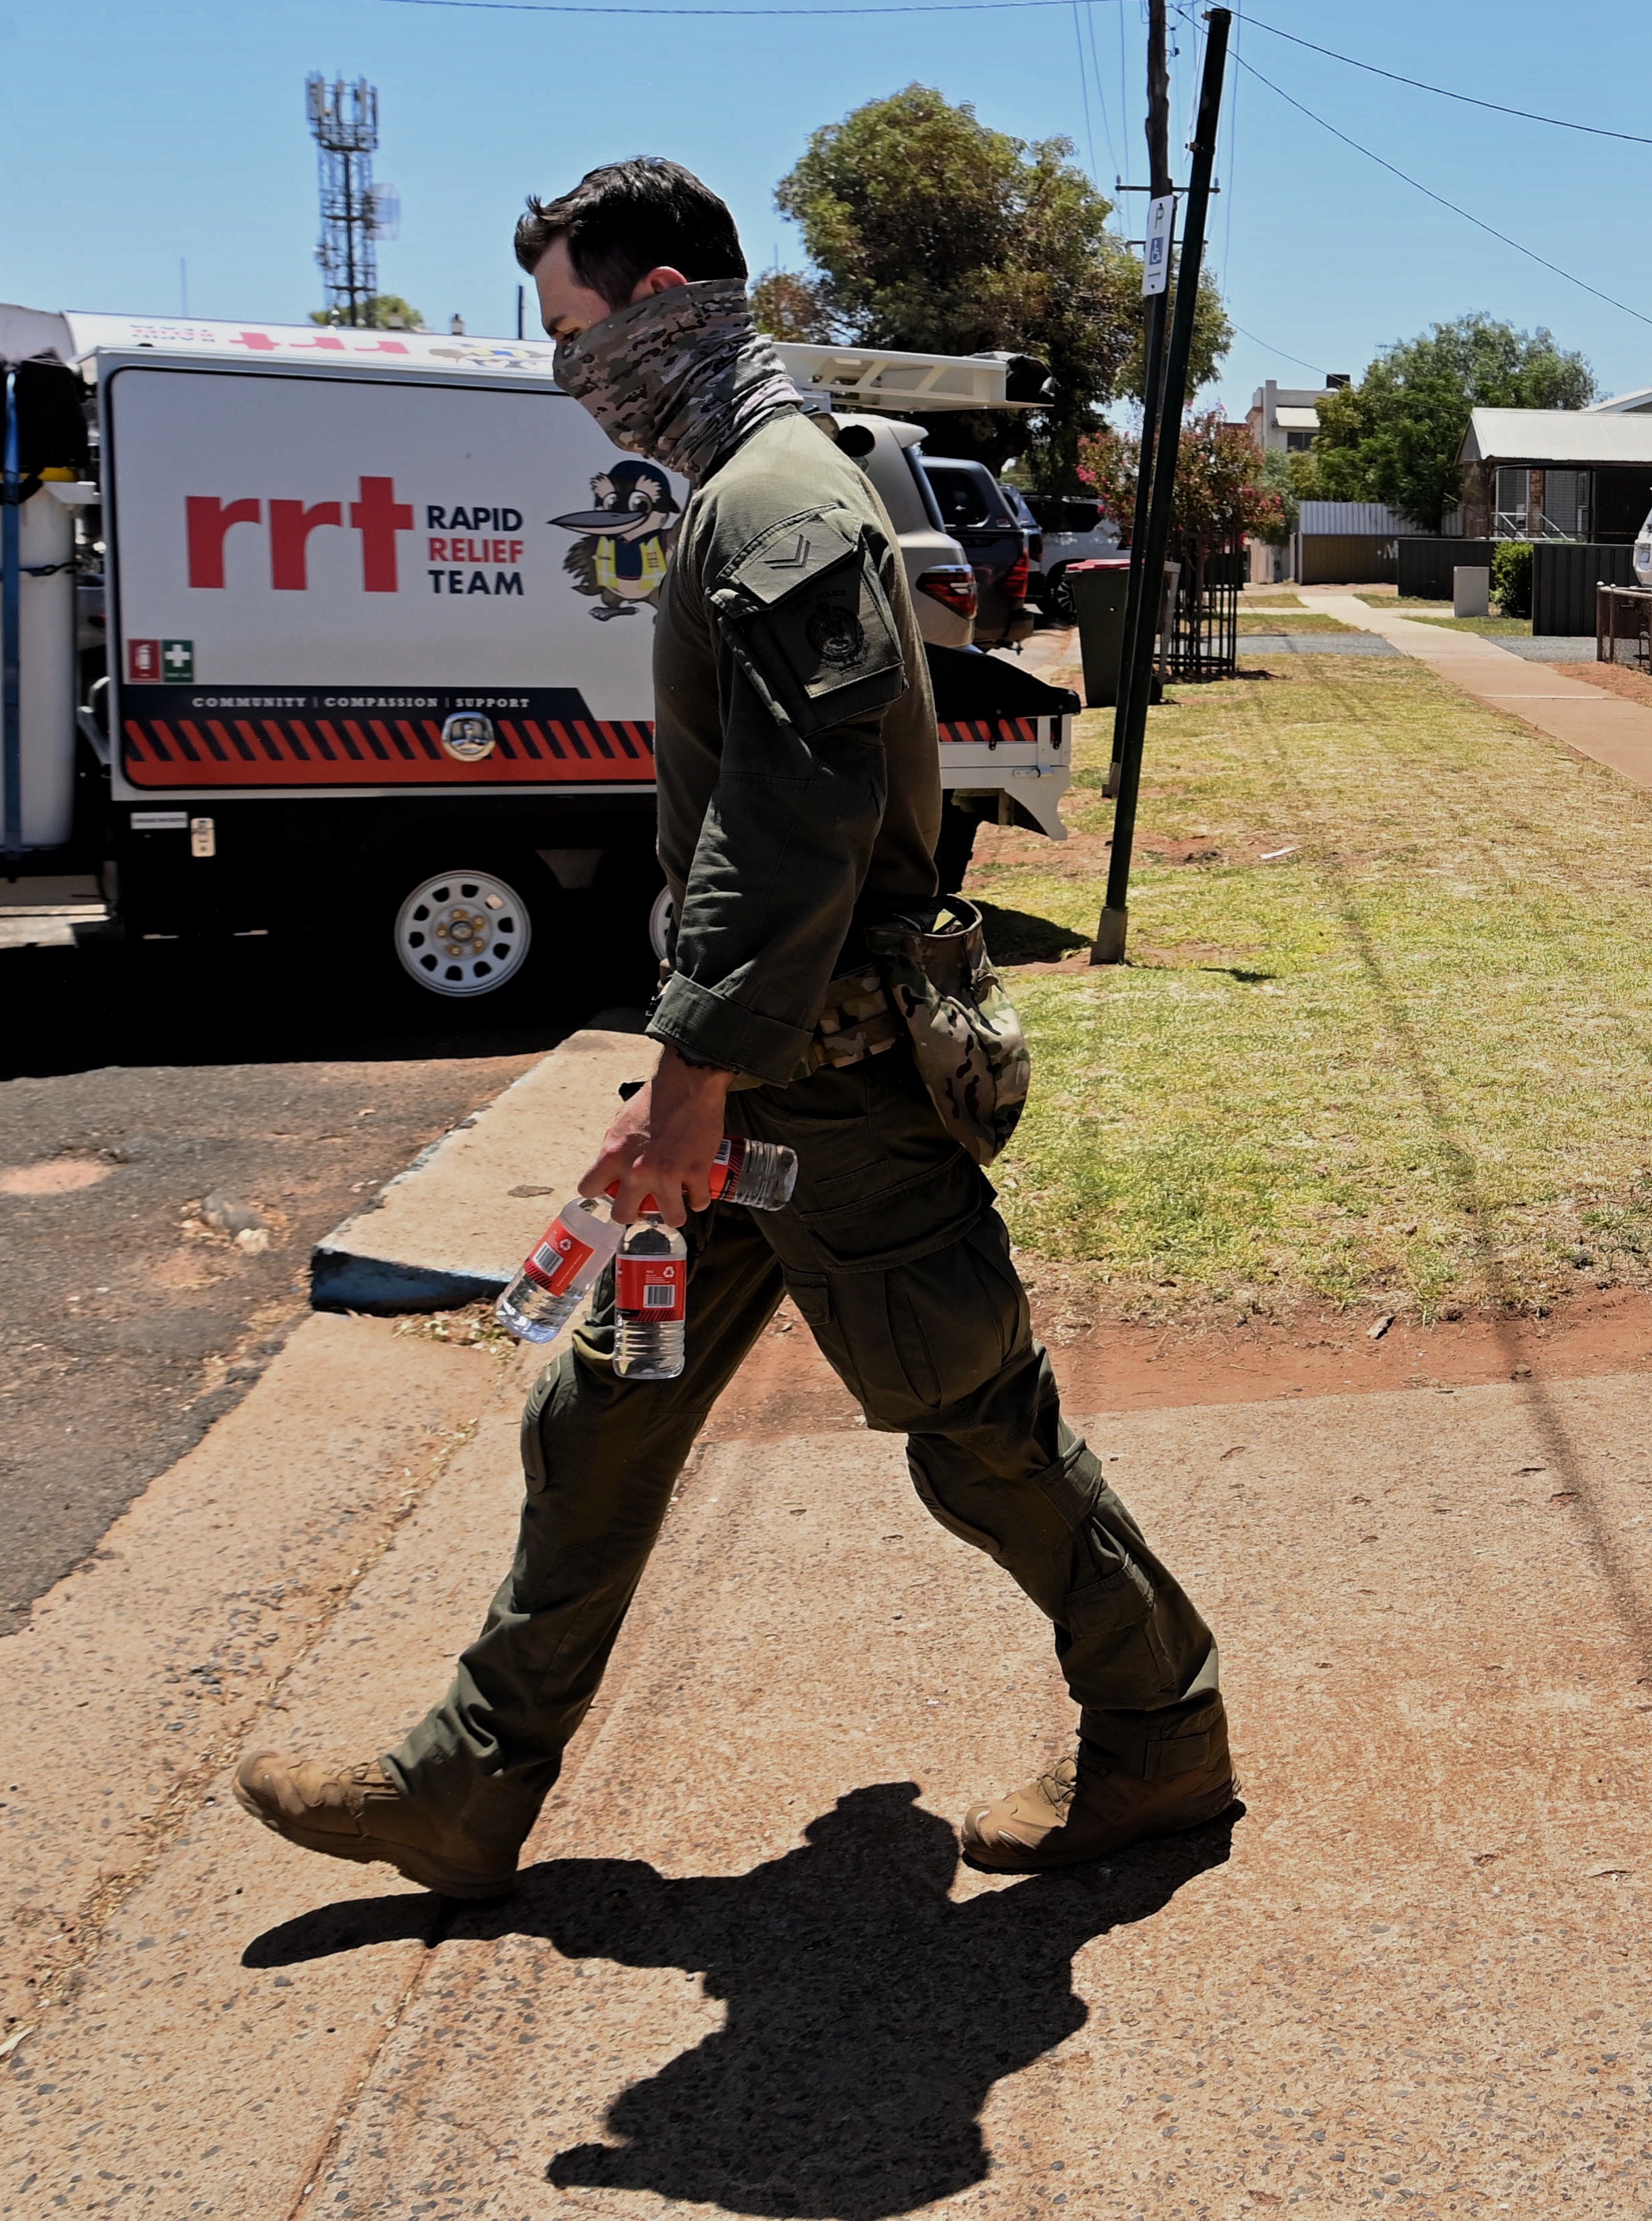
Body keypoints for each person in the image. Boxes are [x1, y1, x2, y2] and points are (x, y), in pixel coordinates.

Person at [234, 160, 1233, 1892]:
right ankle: (467, 1788)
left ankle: (1162, 1735)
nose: (570, 374)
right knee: (601, 1409)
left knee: (979, 1429)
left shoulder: (777, 501)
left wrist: (690, 1077)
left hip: (822, 1099)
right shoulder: (749, 484)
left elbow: (797, 820)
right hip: (750, 1077)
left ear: (669, 296)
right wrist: (685, 1068)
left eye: (574, 329)